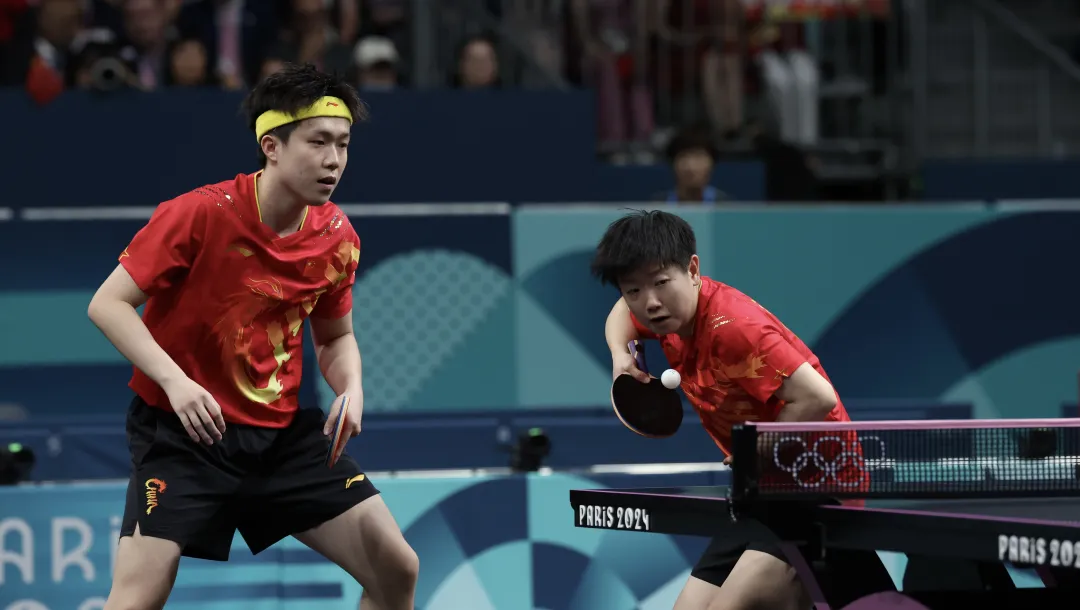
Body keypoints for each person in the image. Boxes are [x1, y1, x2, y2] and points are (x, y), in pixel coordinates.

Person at [88, 62, 419, 610]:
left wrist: (352, 387)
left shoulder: (337, 238)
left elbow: (334, 339)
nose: (334, 160)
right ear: (272, 146)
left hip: (279, 439)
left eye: (343, 144)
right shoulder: (200, 213)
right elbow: (108, 305)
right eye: (318, 142)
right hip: (184, 434)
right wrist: (175, 382)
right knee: (140, 593)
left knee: (396, 567)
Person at [590, 210, 876, 610]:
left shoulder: (734, 329)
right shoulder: (665, 316)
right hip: (762, 490)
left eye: (661, 283)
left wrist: (755, 446)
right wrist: (621, 356)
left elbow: (818, 397)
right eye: (634, 289)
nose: (650, 303)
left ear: (692, 270)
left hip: (819, 487)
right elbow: (621, 312)